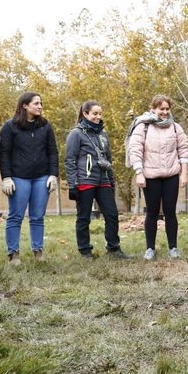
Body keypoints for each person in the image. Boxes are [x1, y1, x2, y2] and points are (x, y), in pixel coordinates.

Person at [0, 92, 60, 265]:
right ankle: (13, 254)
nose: (40, 106)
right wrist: (6, 177)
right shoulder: (10, 127)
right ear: (24, 105)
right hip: (19, 178)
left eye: (41, 103)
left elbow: (52, 152)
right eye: (36, 103)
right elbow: (4, 154)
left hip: (41, 178)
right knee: (16, 216)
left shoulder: (45, 126)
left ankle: (38, 252)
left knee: (37, 217)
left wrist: (53, 174)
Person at [64, 100, 130, 260]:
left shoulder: (103, 134)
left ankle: (114, 248)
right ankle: (85, 250)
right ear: (85, 114)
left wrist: (111, 180)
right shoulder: (76, 134)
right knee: (84, 217)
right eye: (95, 114)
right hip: (85, 181)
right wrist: (73, 184)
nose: (98, 117)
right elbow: (69, 160)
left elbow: (108, 159)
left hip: (103, 181)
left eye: (100, 114)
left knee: (112, 215)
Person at [127, 94, 188, 261]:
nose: (164, 112)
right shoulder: (143, 127)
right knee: (152, 213)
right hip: (150, 176)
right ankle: (150, 248)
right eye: (161, 109)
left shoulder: (176, 128)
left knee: (170, 212)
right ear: (153, 109)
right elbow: (135, 150)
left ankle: (173, 248)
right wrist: (139, 173)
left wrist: (184, 173)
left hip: (171, 175)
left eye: (167, 109)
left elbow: (183, 150)